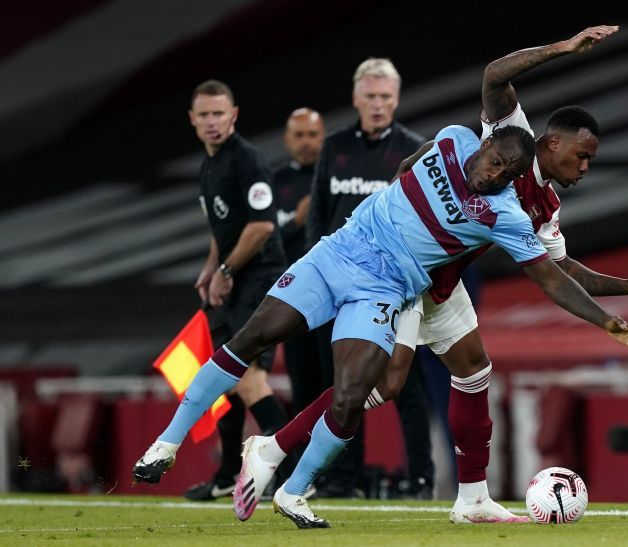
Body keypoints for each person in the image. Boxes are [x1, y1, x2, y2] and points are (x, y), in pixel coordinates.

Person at [233, 25, 628, 526]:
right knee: (386, 382)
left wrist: (625, 287)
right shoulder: (511, 135)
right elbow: (493, 76)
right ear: (552, 143)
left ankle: (471, 498)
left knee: (473, 372)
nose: (586, 167)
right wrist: (562, 49)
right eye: (582, 155)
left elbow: (559, 269)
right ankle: (272, 448)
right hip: (403, 271)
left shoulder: (545, 208)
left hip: (441, 285)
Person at [132, 80, 293, 500]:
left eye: (219, 113)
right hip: (233, 277)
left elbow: (260, 226)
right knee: (225, 376)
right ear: (192, 119)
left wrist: (224, 270)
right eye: (204, 115)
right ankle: (226, 475)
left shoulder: (247, 161)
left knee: (248, 378)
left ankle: (296, 470)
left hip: (258, 277)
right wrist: (210, 268)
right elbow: (222, 228)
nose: (212, 122)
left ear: (233, 115)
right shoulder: (209, 165)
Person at [305, 58, 434, 499]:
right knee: (342, 385)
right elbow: (318, 216)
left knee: (407, 386)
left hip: (393, 287)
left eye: (385, 97)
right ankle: (344, 478)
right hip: (338, 284)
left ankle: (421, 480)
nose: (378, 105)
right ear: (356, 98)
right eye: (371, 96)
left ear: (396, 99)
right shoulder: (334, 147)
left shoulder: (415, 151)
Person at [273, 108, 326, 414]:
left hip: (334, 297)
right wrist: (296, 221)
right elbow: (263, 243)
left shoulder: (334, 179)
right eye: (299, 135)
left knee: (339, 388)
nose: (306, 142)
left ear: (323, 138)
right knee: (303, 386)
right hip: (293, 301)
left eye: (313, 135)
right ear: (287, 140)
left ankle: (345, 463)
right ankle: (303, 459)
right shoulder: (275, 183)